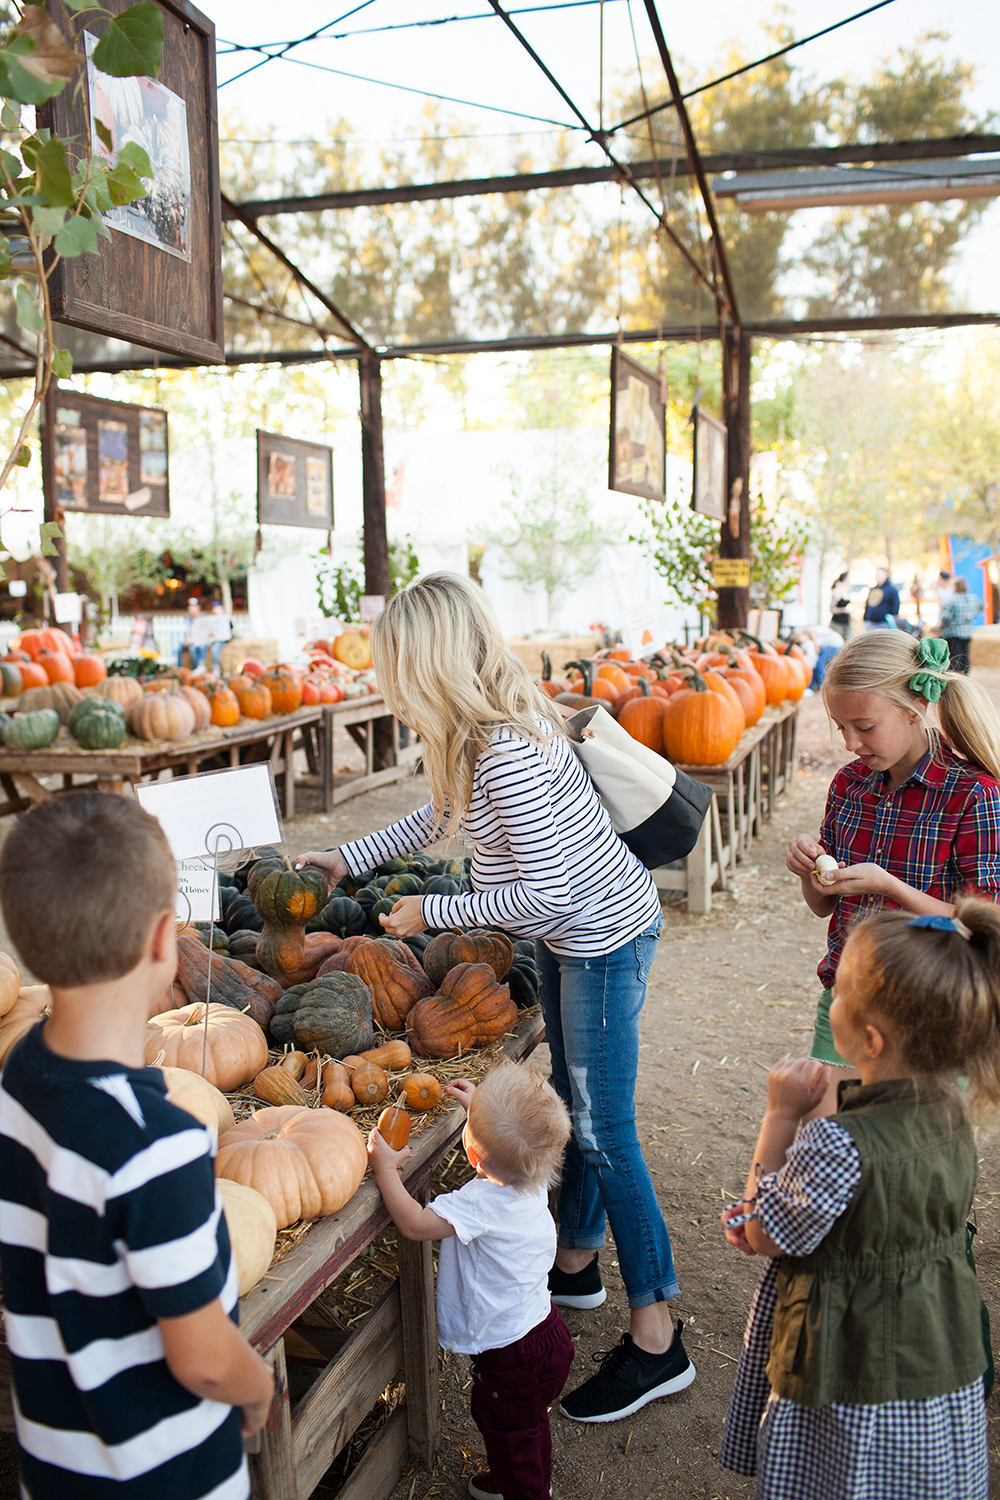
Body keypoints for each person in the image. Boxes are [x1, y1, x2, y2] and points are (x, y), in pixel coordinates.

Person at [297, 572, 693, 1423]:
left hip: (602, 937)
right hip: (572, 936)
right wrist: (344, 858)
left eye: (396, 666)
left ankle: (659, 1337)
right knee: (581, 1112)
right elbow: (431, 819)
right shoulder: (480, 736)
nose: (389, 683)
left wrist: (432, 911)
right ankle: (576, 1266)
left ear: (427, 663)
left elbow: (549, 893)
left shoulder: (508, 751)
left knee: (606, 1132)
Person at [0, 792, 273, 1500]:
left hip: (58, 1464)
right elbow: (204, 1359)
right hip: (165, 1475)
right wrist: (256, 1384)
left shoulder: (20, 1075)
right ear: (161, 942)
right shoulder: (159, 1144)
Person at [718, 898, 999, 1499]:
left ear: (870, 1038)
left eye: (840, 992)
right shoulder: (952, 1117)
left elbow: (759, 1233)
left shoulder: (837, 1143)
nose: (831, 1001)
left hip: (848, 1373)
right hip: (938, 1358)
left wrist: (780, 1116)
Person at [785, 631, 1000, 1116]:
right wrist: (809, 872)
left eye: (864, 726)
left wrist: (890, 886)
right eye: (841, 727)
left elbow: (983, 924)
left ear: (914, 709)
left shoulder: (973, 794)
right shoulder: (849, 785)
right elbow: (824, 905)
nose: (850, 743)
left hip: (933, 1009)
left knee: (915, 1145)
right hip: (848, 998)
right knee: (826, 1134)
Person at [368, 1064, 575, 1500]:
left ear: (474, 1155)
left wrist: (385, 1169)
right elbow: (517, 1142)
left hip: (511, 1357)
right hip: (547, 1337)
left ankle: (525, 1489)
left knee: (507, 1429)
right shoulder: (533, 1178)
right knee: (528, 1422)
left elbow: (415, 1224)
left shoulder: (477, 1205)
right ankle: (526, 1479)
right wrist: (479, 1109)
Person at [939, 575, 982, 675]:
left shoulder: (952, 599)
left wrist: (938, 627)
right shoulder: (973, 598)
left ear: (955, 586)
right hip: (967, 631)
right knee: (965, 655)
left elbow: (945, 617)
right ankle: (965, 675)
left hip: (952, 632)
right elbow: (983, 606)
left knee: (955, 656)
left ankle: (956, 675)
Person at [178, 595, 206, 668]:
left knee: (193, 648)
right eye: (190, 606)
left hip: (200, 640)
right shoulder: (188, 617)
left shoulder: (203, 617)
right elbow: (188, 630)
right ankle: (180, 668)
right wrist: (187, 639)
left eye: (193, 606)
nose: (191, 608)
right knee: (178, 648)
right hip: (191, 639)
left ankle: (197, 667)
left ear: (198, 607)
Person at [829, 571, 851, 639]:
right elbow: (832, 609)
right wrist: (843, 610)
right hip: (837, 623)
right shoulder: (837, 591)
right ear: (845, 579)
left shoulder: (847, 591)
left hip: (846, 622)